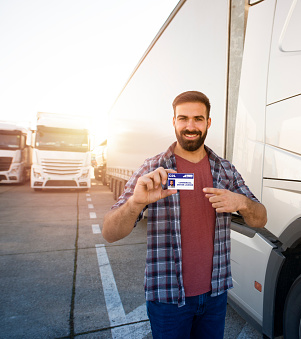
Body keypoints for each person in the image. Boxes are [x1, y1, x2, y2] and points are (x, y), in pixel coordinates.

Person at [102, 90, 267, 339]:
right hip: (168, 298)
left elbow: (261, 218)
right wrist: (136, 203)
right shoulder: (153, 168)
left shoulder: (225, 170)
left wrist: (242, 202)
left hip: (216, 295)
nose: (191, 126)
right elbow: (110, 232)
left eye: (198, 119)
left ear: (208, 123)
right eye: (183, 118)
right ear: (174, 121)